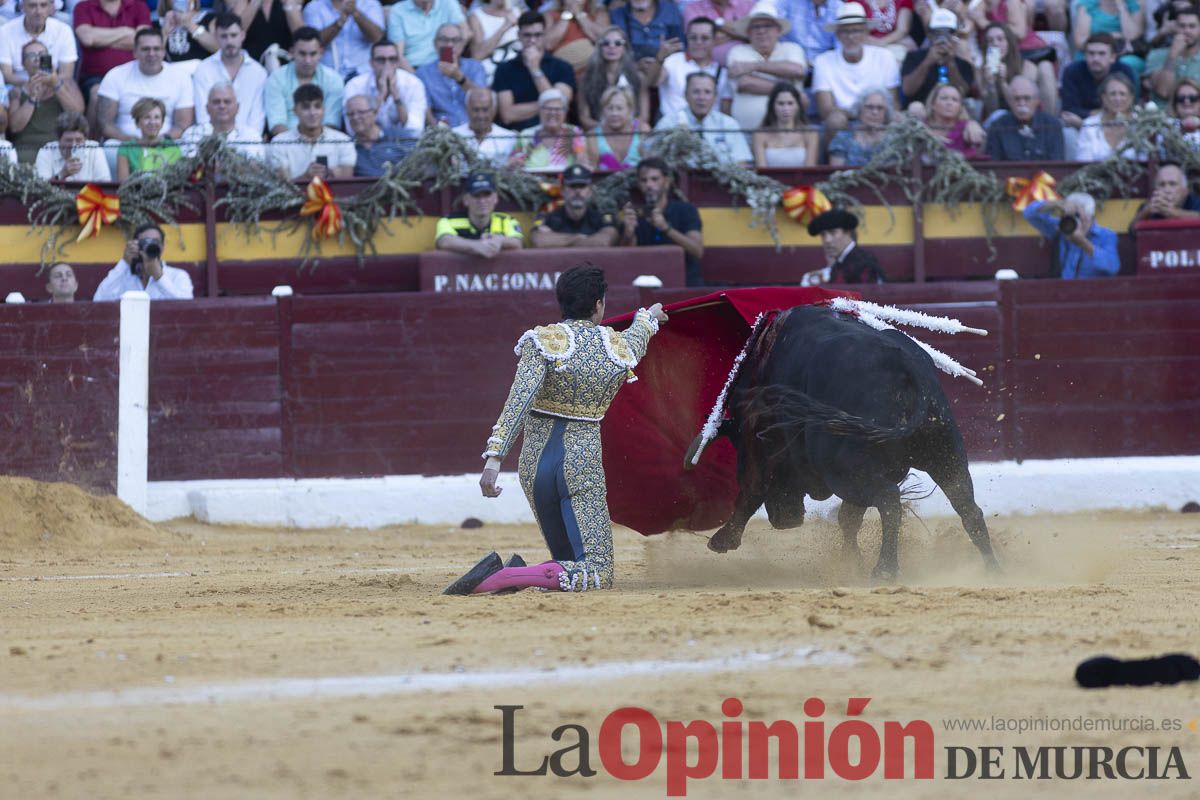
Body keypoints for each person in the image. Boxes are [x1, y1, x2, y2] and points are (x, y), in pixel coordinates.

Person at [444, 264, 667, 595]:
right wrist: (648, 319)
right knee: (596, 572)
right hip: (580, 465)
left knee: (567, 562)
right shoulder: (616, 346)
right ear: (599, 304)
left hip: (534, 467)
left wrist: (494, 458)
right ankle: (505, 577)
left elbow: (519, 401)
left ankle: (520, 572)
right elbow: (637, 339)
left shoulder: (543, 340)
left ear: (561, 301)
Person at [812, 1, 901, 133]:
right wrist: (861, 114)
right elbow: (825, 110)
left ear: (866, 32)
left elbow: (893, 103)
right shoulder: (823, 61)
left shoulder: (885, 57)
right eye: (845, 32)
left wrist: (871, 114)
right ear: (837, 35)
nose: (851, 37)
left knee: (898, 119)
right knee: (834, 120)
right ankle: (836, 154)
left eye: (856, 31)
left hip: (879, 115)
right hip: (845, 120)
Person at [97, 27, 194, 144]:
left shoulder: (181, 78)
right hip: (124, 144)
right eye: (145, 49)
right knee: (110, 145)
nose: (151, 54)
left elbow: (182, 124)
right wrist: (132, 141)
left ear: (164, 51)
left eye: (157, 49)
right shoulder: (115, 75)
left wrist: (160, 140)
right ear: (135, 52)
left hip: (166, 144)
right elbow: (105, 124)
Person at [619, 157, 704, 285]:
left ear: (667, 181)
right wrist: (628, 233)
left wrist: (666, 228)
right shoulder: (634, 213)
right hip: (645, 285)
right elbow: (625, 260)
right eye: (644, 180)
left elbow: (697, 251)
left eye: (654, 179)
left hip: (684, 283)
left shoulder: (686, 210)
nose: (649, 185)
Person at [726, 2, 807, 132]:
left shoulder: (792, 48)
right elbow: (745, 83)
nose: (761, 31)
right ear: (748, 32)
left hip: (788, 135)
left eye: (767, 26)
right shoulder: (737, 51)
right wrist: (792, 93)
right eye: (756, 27)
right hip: (747, 132)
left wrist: (754, 66)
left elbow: (797, 70)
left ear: (778, 30)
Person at [493, 11, 576, 131]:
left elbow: (561, 107)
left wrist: (535, 69)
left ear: (545, 35)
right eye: (527, 35)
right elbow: (507, 115)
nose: (532, 40)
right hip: (516, 135)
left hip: (555, 135)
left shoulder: (563, 67)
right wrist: (546, 105)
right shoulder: (504, 69)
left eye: (538, 35)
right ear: (519, 35)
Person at [8, 40, 84, 164]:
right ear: (23, 64)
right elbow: (15, 127)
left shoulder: (67, 84)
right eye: (32, 56)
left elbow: (77, 114)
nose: (38, 59)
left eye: (42, 55)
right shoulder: (17, 91)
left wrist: (56, 85)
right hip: (26, 149)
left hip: (60, 147)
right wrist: (32, 97)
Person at [192, 13, 268, 134]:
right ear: (216, 37)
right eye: (224, 36)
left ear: (242, 35)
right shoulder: (203, 69)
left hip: (248, 141)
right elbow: (203, 116)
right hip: (211, 140)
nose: (229, 41)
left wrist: (248, 142)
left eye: (233, 35)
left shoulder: (258, 72)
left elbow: (257, 118)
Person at [654, 71, 752, 164]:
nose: (701, 97)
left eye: (707, 92)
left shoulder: (728, 124)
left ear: (715, 97)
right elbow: (652, 156)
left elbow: (741, 161)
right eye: (696, 92)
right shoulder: (669, 122)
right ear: (685, 95)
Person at [264, 26, 344, 137]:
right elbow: (276, 123)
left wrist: (313, 145)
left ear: (321, 53)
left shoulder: (334, 79)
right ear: (292, 52)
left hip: (324, 143)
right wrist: (297, 145)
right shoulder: (276, 78)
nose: (307, 60)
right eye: (302, 54)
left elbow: (332, 122)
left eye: (313, 54)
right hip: (286, 144)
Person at [73, 0, 151, 111]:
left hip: (133, 74)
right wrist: (125, 31)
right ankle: (92, 129)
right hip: (95, 77)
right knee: (98, 93)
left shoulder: (139, 7)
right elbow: (88, 38)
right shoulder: (83, 7)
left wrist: (99, 40)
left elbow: (144, 41)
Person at [1022, 193, 1120, 279]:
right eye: (1070, 217)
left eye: (1078, 216)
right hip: (1063, 292)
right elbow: (1029, 214)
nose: (1074, 222)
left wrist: (1083, 243)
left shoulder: (1106, 235)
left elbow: (1112, 267)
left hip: (1094, 293)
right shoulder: (1063, 228)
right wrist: (1057, 204)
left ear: (1090, 216)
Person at [268, 84, 355, 179]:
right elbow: (281, 187)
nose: (312, 113)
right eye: (306, 107)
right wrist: (306, 177)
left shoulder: (343, 141)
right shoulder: (279, 143)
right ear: (295, 111)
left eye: (317, 106)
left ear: (323, 110)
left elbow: (347, 180)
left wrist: (331, 173)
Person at [344, 40, 428, 138]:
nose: (387, 65)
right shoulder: (355, 85)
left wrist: (396, 97)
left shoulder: (413, 84)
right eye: (381, 60)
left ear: (398, 62)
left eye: (392, 59)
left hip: (405, 144)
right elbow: (353, 129)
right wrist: (380, 97)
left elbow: (415, 129)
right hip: (368, 143)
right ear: (371, 63)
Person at [656, 16, 733, 120]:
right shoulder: (672, 61)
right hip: (671, 128)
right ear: (687, 38)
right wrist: (659, 60)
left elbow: (725, 113)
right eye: (693, 37)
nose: (698, 42)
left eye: (705, 38)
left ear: (714, 41)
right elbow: (653, 82)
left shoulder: (723, 73)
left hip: (708, 131)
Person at [93, 223, 195, 301]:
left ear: (163, 246)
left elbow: (187, 304)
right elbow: (99, 299)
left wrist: (159, 277)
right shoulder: (123, 277)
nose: (150, 245)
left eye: (155, 242)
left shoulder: (177, 275)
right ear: (135, 244)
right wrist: (124, 262)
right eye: (145, 242)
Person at [434, 171, 524, 257]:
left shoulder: (507, 220)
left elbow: (517, 242)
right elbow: (444, 241)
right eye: (476, 196)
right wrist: (477, 246)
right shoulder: (448, 221)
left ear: (495, 198)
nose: (482, 201)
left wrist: (500, 240)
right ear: (465, 200)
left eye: (487, 195)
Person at [978, 22, 1055, 120]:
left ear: (1009, 42)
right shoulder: (981, 71)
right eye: (990, 41)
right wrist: (991, 85)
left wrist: (1003, 83)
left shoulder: (1026, 66)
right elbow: (992, 110)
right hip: (998, 121)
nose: (995, 44)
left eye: (1000, 39)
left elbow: (1023, 105)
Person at [1061, 33, 1138, 130]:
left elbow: (1130, 106)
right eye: (1091, 53)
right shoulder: (1072, 71)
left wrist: (1095, 116)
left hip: (1117, 123)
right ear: (1085, 55)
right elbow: (1069, 110)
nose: (1095, 59)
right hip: (1079, 124)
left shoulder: (1124, 71)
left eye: (1101, 54)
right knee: (1068, 131)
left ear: (1113, 57)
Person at [577, 26, 648, 130]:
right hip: (599, 131)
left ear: (625, 48)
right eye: (606, 43)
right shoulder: (586, 78)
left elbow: (644, 116)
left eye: (618, 43)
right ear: (599, 47)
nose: (612, 47)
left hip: (631, 131)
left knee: (646, 128)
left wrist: (625, 128)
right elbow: (584, 117)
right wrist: (607, 129)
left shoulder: (638, 77)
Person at [900, 8, 974, 108]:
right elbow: (907, 90)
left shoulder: (963, 64)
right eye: (937, 32)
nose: (943, 37)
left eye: (948, 32)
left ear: (955, 35)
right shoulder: (914, 57)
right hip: (922, 112)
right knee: (916, 107)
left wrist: (950, 62)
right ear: (930, 35)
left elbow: (962, 92)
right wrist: (927, 62)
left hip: (952, 113)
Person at [530, 164, 618, 247]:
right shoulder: (548, 216)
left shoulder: (602, 217)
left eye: (582, 186)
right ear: (562, 191)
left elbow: (605, 241)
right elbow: (538, 240)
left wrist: (557, 239)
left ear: (590, 191)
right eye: (572, 186)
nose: (577, 191)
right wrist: (578, 238)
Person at [416, 23, 485, 127]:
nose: (449, 45)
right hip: (443, 132)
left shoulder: (475, 67)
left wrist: (459, 77)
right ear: (435, 44)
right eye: (444, 40)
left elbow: (482, 100)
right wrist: (439, 135)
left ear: (462, 45)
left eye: (455, 40)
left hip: (473, 128)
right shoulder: (424, 73)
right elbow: (426, 111)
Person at [0, 0, 76, 91]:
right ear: (22, 8)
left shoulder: (64, 31)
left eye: (43, 5)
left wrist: (48, 84)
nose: (38, 11)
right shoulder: (5, 31)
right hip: (20, 88)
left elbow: (66, 74)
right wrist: (32, 84)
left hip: (52, 87)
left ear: (51, 7)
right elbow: (7, 75)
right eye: (32, 6)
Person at [983, 74, 1064, 160]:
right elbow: (993, 168)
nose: (1022, 103)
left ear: (1037, 100)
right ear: (1009, 101)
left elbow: (1057, 166)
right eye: (1017, 99)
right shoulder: (997, 127)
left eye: (1027, 98)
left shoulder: (1053, 126)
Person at [178, 82, 267, 159]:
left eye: (227, 102)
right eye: (216, 102)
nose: (222, 106)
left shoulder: (250, 136)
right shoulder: (192, 134)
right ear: (207, 108)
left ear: (237, 107)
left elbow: (255, 168)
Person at [801, 207, 886, 285]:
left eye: (833, 232)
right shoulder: (843, 261)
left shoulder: (862, 262)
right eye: (823, 234)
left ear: (848, 232)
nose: (827, 240)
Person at [302, 0, 385, 81]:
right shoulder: (314, 7)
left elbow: (376, 37)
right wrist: (339, 22)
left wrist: (355, 13)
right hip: (327, 77)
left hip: (364, 76)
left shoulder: (371, 4)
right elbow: (313, 44)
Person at [511, 88, 587, 172]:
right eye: (548, 109)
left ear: (565, 112)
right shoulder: (526, 134)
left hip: (564, 181)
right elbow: (514, 161)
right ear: (540, 111)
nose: (552, 113)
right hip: (531, 181)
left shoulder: (573, 132)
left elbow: (582, 160)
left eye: (557, 109)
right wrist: (515, 162)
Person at [1072, 0, 1145, 79]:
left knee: (1130, 63)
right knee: (1082, 63)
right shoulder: (1087, 4)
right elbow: (1080, 41)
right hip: (1093, 52)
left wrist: (1121, 7)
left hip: (1125, 53)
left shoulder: (1134, 4)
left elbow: (1131, 35)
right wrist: (1115, 36)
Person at [752, 82, 818, 166]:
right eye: (781, 104)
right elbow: (761, 170)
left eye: (790, 103)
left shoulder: (810, 134)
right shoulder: (760, 135)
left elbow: (810, 170)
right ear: (772, 106)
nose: (786, 108)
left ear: (798, 106)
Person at [1076, 72, 1138, 161]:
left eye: (1122, 94)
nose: (1118, 99)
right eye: (1113, 94)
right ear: (1104, 98)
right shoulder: (1089, 125)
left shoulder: (1141, 124)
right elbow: (1082, 163)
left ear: (1131, 98)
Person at [387, 0, 465, 71]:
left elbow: (466, 34)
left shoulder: (448, 3)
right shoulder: (397, 11)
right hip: (414, 67)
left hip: (445, 64)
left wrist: (450, 58)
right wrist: (417, 79)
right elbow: (398, 54)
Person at [346, 93, 413, 175]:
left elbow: (417, 164)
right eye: (351, 114)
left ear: (374, 113)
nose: (355, 117)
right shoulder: (347, 146)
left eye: (361, 112)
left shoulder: (400, 136)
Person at [218, 0, 305, 63]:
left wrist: (289, 7)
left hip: (283, 62)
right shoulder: (243, 2)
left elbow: (301, 35)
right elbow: (236, 30)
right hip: (251, 63)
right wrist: (255, 3)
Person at [116, 96, 183, 179]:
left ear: (162, 123)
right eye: (147, 117)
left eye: (157, 117)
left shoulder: (173, 148)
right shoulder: (126, 148)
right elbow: (123, 185)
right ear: (137, 123)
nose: (152, 122)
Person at [1147, 6, 1200, 105]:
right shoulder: (1156, 55)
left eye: (1192, 26)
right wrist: (1172, 55)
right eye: (1182, 26)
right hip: (1163, 118)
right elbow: (1163, 91)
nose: (1187, 31)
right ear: (1175, 27)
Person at [36, 111, 111, 181]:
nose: (73, 145)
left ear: (85, 139)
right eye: (68, 140)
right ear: (59, 140)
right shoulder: (46, 151)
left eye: (78, 140)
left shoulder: (95, 150)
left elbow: (105, 186)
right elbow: (41, 189)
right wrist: (62, 174)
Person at [828, 86, 893, 166]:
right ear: (859, 110)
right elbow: (836, 174)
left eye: (880, 108)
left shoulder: (894, 141)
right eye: (869, 107)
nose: (875, 112)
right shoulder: (842, 140)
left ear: (886, 113)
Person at [543, 0, 611, 76]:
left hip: (594, 69)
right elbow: (548, 44)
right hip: (563, 72)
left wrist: (580, 15)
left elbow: (604, 39)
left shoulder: (599, 13)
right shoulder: (549, 14)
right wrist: (566, 16)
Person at [609, 0, 684, 67]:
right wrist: (635, 65)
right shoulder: (617, 15)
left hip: (667, 66)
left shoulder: (670, 10)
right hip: (631, 69)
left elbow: (679, 46)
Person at [452, 86, 517, 165]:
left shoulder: (509, 138)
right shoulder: (453, 135)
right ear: (467, 109)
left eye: (485, 110)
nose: (481, 116)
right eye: (476, 110)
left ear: (494, 110)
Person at [585, 85, 643, 170]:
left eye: (619, 108)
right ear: (603, 110)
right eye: (610, 108)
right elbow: (592, 171)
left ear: (630, 110)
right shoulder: (593, 136)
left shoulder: (641, 131)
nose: (614, 113)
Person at [923, 82, 985, 158]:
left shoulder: (967, 127)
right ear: (933, 104)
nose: (949, 103)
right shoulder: (921, 127)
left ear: (960, 107)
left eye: (955, 100)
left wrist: (973, 125)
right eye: (944, 98)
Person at [468, 0, 520, 83]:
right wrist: (505, 27)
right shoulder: (476, 17)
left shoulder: (518, 12)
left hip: (518, 66)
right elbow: (477, 56)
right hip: (492, 72)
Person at [1132, 162, 1200, 224]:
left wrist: (1171, 212)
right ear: (1156, 190)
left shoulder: (1196, 203)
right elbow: (1132, 232)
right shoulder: (1149, 207)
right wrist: (1146, 212)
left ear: (1185, 190)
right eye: (1162, 184)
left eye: (1172, 184)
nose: (1167, 190)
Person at [156, 0, 218, 65]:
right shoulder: (157, 22)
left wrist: (190, 25)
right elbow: (151, 53)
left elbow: (217, 49)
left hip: (200, 70)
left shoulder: (209, 19)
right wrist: (164, 32)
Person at [783, 0, 841, 66]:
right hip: (790, 62)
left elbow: (840, 48)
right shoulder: (788, 2)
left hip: (824, 64)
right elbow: (774, 28)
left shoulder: (838, 7)